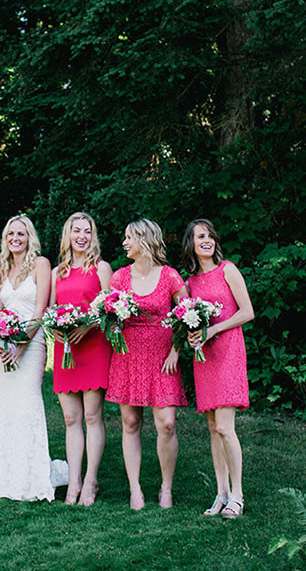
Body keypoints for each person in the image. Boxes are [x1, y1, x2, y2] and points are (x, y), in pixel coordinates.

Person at [0, 216, 67, 501]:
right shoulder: (2, 268)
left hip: (32, 344)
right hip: (4, 345)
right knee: (4, 402)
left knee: (26, 403)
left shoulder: (41, 264)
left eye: (21, 234)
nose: (15, 238)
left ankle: (29, 475)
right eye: (11, 233)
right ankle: (0, 475)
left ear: (30, 237)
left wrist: (21, 346)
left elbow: (40, 312)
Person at [106, 219, 187, 510]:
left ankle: (166, 488)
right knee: (130, 422)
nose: (124, 243)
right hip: (128, 356)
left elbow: (186, 314)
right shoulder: (119, 277)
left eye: (129, 238)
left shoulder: (170, 276)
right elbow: (109, 315)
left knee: (166, 424)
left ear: (144, 240)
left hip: (163, 357)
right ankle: (135, 488)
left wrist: (176, 351)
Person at [182, 218, 254, 519]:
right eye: (200, 236)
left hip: (228, 352)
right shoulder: (190, 283)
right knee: (213, 428)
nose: (206, 240)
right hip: (205, 358)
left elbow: (247, 311)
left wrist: (215, 330)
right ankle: (221, 494)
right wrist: (192, 336)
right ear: (191, 244)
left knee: (225, 426)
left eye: (210, 235)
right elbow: (187, 320)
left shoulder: (228, 270)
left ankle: (237, 495)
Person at [50, 212, 113, 506]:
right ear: (68, 235)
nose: (82, 236)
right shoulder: (57, 272)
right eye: (76, 231)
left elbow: (110, 309)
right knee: (70, 418)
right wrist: (56, 328)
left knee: (91, 415)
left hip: (93, 345)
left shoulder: (101, 268)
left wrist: (87, 325)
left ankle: (90, 481)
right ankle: (73, 482)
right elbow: (50, 310)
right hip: (66, 349)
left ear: (93, 236)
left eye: (87, 231)